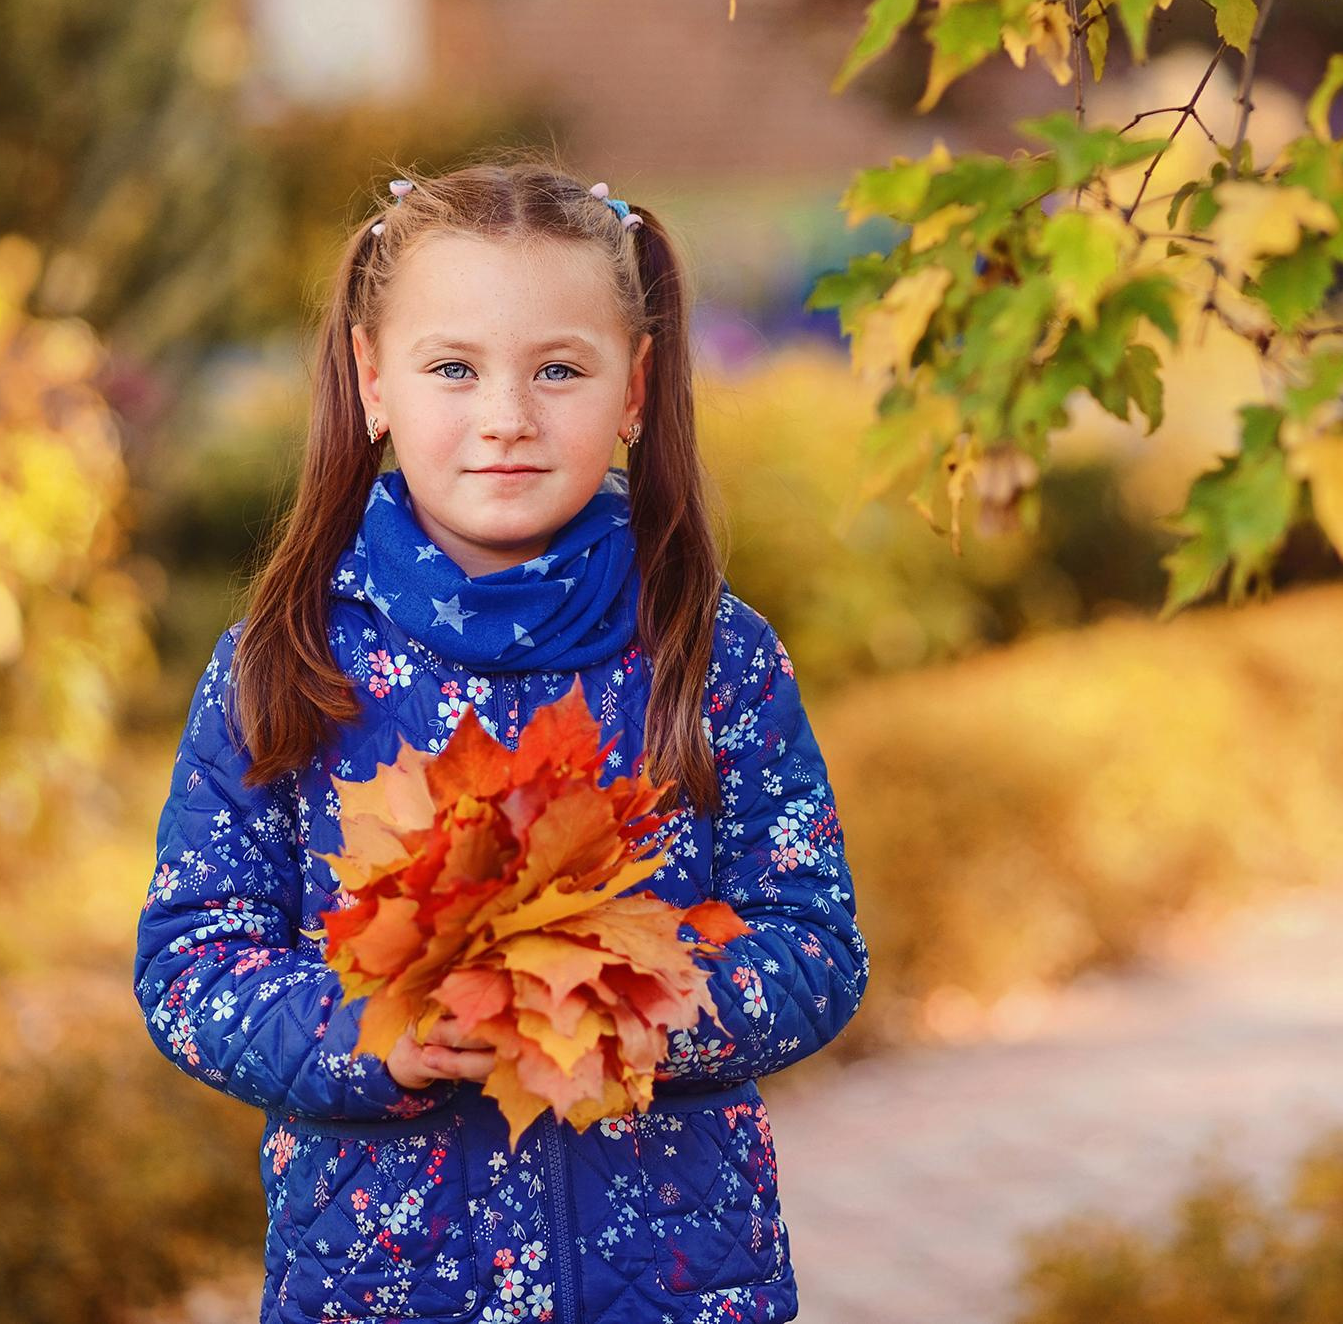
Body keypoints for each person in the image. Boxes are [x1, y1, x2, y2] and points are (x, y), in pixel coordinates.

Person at [131, 154, 870, 1324]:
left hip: (672, 1284)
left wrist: (645, 1007)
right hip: (382, 1286)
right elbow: (192, 959)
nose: (506, 418)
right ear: (376, 381)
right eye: (455, 368)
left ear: (634, 389)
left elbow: (817, 942)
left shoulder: (705, 653)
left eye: (560, 369)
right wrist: (375, 1038)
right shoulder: (292, 663)